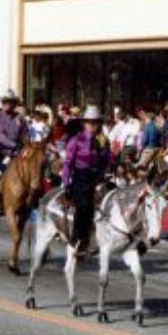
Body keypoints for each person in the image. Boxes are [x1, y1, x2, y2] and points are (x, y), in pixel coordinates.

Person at [61, 106, 111, 252]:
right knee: (83, 206)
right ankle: (78, 239)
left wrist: (104, 172)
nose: (93, 125)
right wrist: (66, 184)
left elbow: (107, 160)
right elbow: (68, 164)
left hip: (97, 177)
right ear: (84, 123)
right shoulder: (76, 140)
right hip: (80, 177)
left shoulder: (103, 140)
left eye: (96, 122)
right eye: (90, 122)